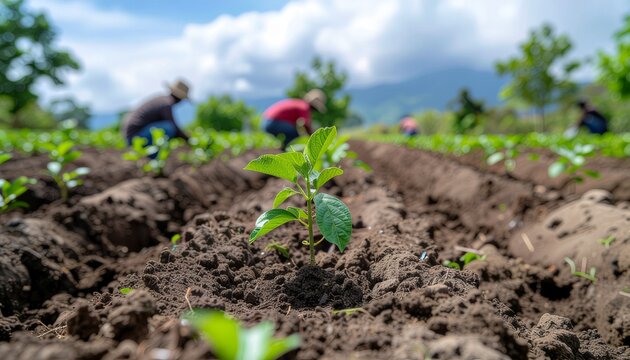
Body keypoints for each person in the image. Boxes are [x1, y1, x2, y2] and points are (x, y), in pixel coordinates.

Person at [122, 79, 191, 145]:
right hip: (135, 137)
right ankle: (153, 156)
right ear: (180, 98)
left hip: (132, 136)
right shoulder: (166, 103)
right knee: (169, 128)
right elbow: (173, 126)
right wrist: (189, 139)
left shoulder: (162, 99)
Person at [262, 89, 326, 148]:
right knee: (295, 134)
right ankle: (287, 150)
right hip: (273, 123)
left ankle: (284, 148)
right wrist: (313, 138)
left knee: (292, 133)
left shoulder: (300, 103)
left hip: (266, 121)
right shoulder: (305, 107)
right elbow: (306, 125)